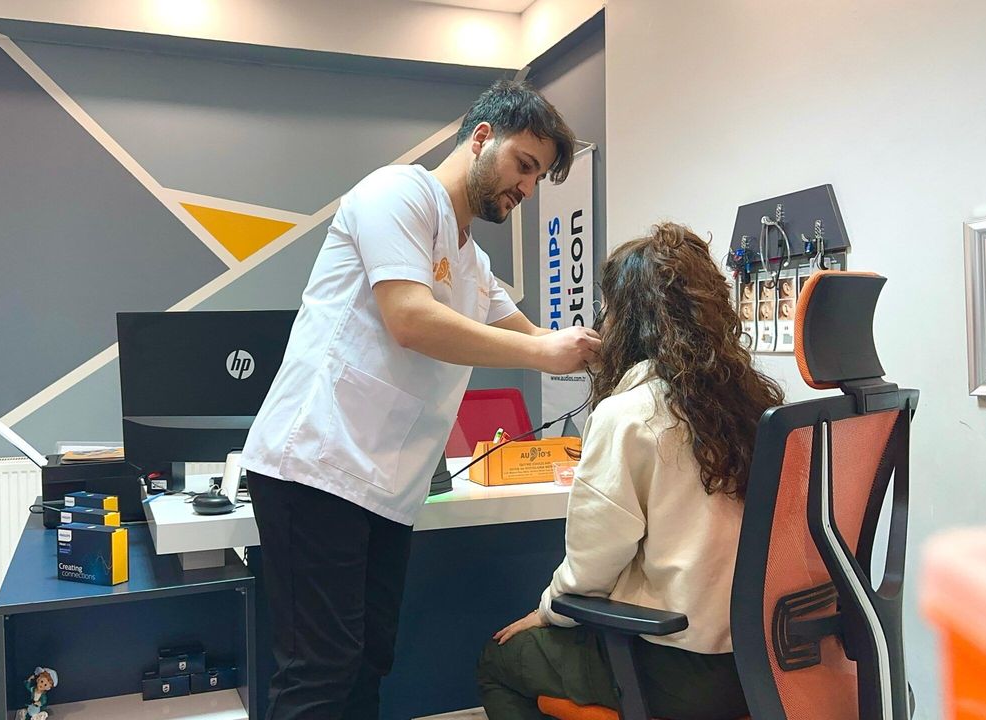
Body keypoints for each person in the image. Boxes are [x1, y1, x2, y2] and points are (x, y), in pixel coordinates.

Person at [239, 79, 600, 720]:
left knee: (368, 661)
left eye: (537, 177)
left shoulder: (473, 263)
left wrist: (603, 352)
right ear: (482, 137)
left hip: (386, 488)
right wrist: (544, 354)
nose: (526, 187)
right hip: (317, 467)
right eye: (524, 165)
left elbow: (536, 338)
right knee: (320, 671)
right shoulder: (397, 193)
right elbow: (411, 318)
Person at [476, 223, 784, 720]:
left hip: (678, 669)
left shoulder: (630, 415)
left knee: (501, 660)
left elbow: (589, 573)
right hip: (768, 667)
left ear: (626, 320)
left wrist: (547, 611)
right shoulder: (756, 406)